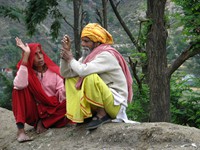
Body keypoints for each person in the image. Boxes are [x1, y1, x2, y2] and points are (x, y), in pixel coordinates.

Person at [60, 23, 134, 130]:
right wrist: (65, 55)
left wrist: (71, 59)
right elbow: (66, 74)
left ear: (97, 42)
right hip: (106, 100)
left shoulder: (106, 55)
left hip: (115, 104)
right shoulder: (90, 56)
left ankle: (102, 114)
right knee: (71, 80)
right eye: (82, 41)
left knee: (90, 76)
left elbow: (83, 70)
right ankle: (85, 115)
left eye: (86, 41)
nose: (82, 44)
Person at [12, 37, 70, 143]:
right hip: (35, 111)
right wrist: (26, 55)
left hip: (52, 111)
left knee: (71, 103)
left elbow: (62, 94)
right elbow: (19, 85)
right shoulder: (27, 73)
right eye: (35, 54)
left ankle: (44, 123)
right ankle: (21, 131)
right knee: (18, 90)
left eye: (40, 53)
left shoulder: (54, 71)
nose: (40, 57)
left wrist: (68, 90)